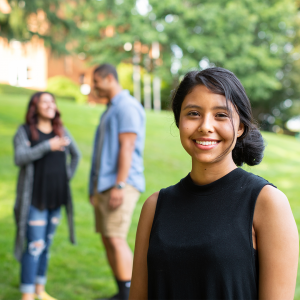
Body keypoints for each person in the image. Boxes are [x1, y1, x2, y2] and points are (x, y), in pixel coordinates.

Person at [129, 68, 299, 300]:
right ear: (179, 121)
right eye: (193, 113)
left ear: (240, 127)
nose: (205, 126)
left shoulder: (267, 202)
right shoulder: (155, 206)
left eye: (221, 115)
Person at [13, 92, 80, 300]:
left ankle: (40, 290)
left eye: (52, 101)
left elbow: (76, 155)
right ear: (35, 107)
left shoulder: (61, 131)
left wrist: (65, 177)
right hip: (34, 199)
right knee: (34, 246)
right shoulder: (24, 132)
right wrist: (47, 146)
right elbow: (19, 157)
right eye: (45, 101)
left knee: (46, 246)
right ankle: (27, 294)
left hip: (56, 198)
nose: (50, 105)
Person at [89, 64, 145, 300]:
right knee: (107, 237)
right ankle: (122, 291)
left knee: (115, 237)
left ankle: (130, 295)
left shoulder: (127, 107)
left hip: (120, 185)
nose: (94, 87)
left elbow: (128, 146)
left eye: (96, 82)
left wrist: (119, 185)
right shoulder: (111, 108)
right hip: (105, 186)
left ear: (109, 79)